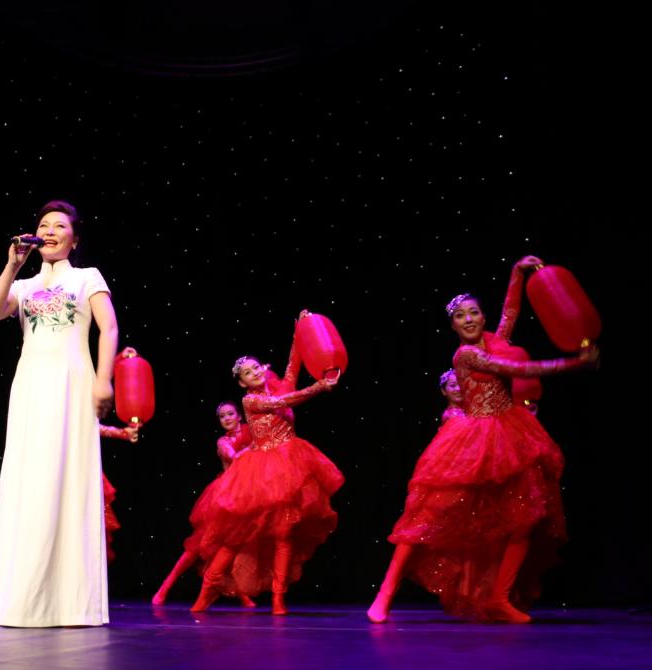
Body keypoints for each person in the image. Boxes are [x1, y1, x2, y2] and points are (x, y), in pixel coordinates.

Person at [366, 256, 600, 624]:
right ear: (453, 326)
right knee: (427, 516)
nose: (469, 319)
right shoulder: (466, 355)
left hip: (510, 435)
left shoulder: (495, 340)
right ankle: (384, 595)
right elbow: (518, 368)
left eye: (474, 312)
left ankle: (499, 598)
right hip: (471, 440)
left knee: (525, 517)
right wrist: (575, 363)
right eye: (460, 316)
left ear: (483, 317)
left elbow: (510, 314)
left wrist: (517, 274)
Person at [0, 200, 118, 627]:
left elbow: (109, 327)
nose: (51, 230)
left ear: (75, 239)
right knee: (29, 480)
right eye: (44, 225)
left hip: (72, 383)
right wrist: (12, 265)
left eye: (60, 225)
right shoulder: (24, 285)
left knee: (68, 477)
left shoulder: (86, 277)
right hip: (31, 385)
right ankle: (21, 598)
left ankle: (70, 602)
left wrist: (104, 379)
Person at [192, 312, 344, 615]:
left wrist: (300, 330)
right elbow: (281, 403)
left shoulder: (281, 385)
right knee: (237, 535)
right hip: (259, 472)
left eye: (256, 367)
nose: (254, 373)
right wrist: (319, 387)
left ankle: (278, 598)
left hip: (290, 465)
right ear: (242, 383)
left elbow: (293, 365)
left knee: (283, 534)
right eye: (247, 373)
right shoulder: (249, 401)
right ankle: (208, 590)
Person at [0, 423, 137, 606]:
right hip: (45, 467)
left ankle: (59, 596)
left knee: (70, 538)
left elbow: (86, 422)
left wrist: (121, 433)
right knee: (25, 534)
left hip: (72, 472)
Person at [151, 401, 256, 607]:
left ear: (239, 416)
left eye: (230, 414)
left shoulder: (251, 431)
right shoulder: (223, 441)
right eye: (222, 416)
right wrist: (253, 447)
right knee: (197, 546)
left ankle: (242, 594)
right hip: (226, 496)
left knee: (236, 547)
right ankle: (165, 587)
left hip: (249, 494)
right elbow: (234, 458)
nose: (226, 418)